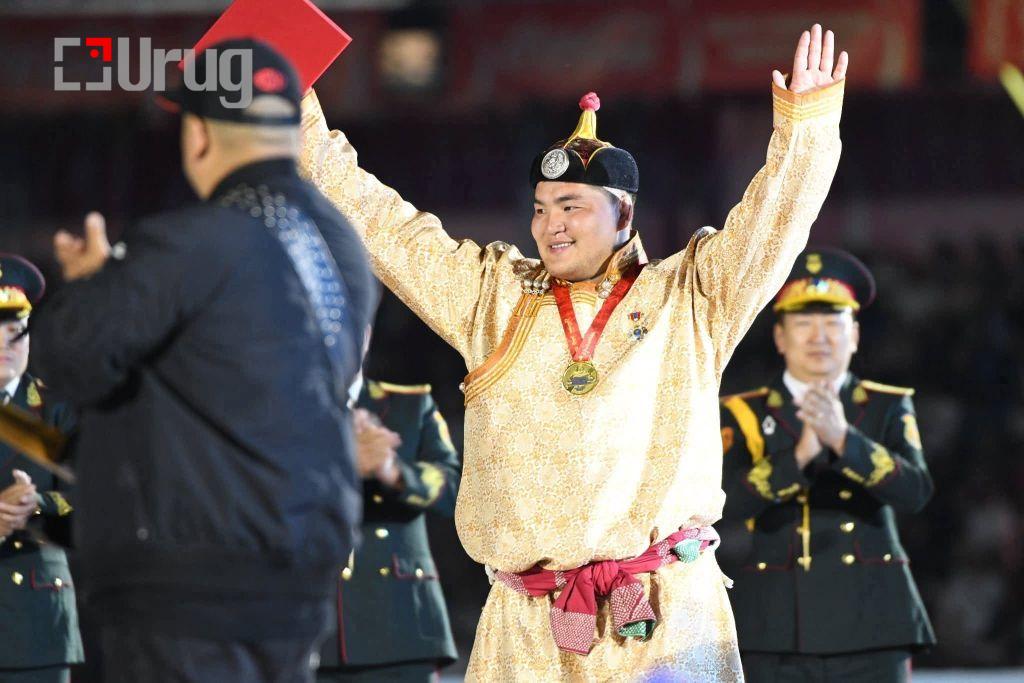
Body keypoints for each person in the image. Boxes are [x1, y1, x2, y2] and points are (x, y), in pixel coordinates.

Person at [302, 23, 848, 681]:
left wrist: (806, 128)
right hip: (524, 629)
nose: (550, 225)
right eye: (540, 208)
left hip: (662, 616)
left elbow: (773, 224)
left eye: (571, 206)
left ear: (624, 216)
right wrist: (292, 113)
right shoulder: (490, 297)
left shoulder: (692, 295)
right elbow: (382, 224)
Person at [28, 39, 375, 683]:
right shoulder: (341, 247)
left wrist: (91, 286)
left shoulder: (192, 242)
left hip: (186, 585)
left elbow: (69, 359)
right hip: (299, 576)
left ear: (199, 135)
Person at [718, 247, 936, 682]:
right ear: (780, 337)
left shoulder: (886, 405)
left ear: (854, 335)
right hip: (777, 622)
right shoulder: (742, 411)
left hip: (874, 619)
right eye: (803, 324)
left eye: (833, 323)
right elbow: (723, 504)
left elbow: (916, 493)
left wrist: (844, 440)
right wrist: (798, 458)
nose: (819, 337)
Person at [317, 377, 460, 683]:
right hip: (309, 624)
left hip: (400, 624)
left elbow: (458, 492)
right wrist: (336, 461)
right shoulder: (280, 400)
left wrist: (393, 471)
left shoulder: (411, 404)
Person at [0, 254, 83, 683]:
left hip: (34, 622)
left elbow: (99, 497)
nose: (6, 342)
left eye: (16, 329)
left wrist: (34, 505)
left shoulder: (55, 411)